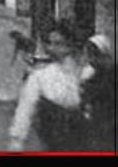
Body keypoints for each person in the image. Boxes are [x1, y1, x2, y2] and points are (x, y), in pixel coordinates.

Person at [8, 20, 90, 151]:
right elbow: (25, 108)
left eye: (58, 44)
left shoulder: (86, 72)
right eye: (50, 43)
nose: (52, 48)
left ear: (70, 45)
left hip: (83, 139)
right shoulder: (41, 76)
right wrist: (16, 141)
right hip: (54, 140)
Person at [80, 34, 115, 152]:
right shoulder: (90, 73)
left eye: (96, 54)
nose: (92, 58)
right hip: (95, 123)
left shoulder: (112, 73)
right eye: (89, 54)